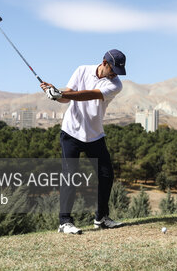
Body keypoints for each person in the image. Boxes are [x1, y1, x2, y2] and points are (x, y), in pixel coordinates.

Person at [41, 49, 126, 234]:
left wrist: (61, 94)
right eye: (112, 70)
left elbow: (89, 95)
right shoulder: (82, 70)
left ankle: (101, 218)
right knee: (70, 175)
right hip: (71, 132)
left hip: (95, 135)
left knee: (106, 175)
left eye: (117, 72)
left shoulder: (115, 85)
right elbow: (68, 96)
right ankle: (65, 222)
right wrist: (55, 94)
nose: (114, 75)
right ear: (104, 62)